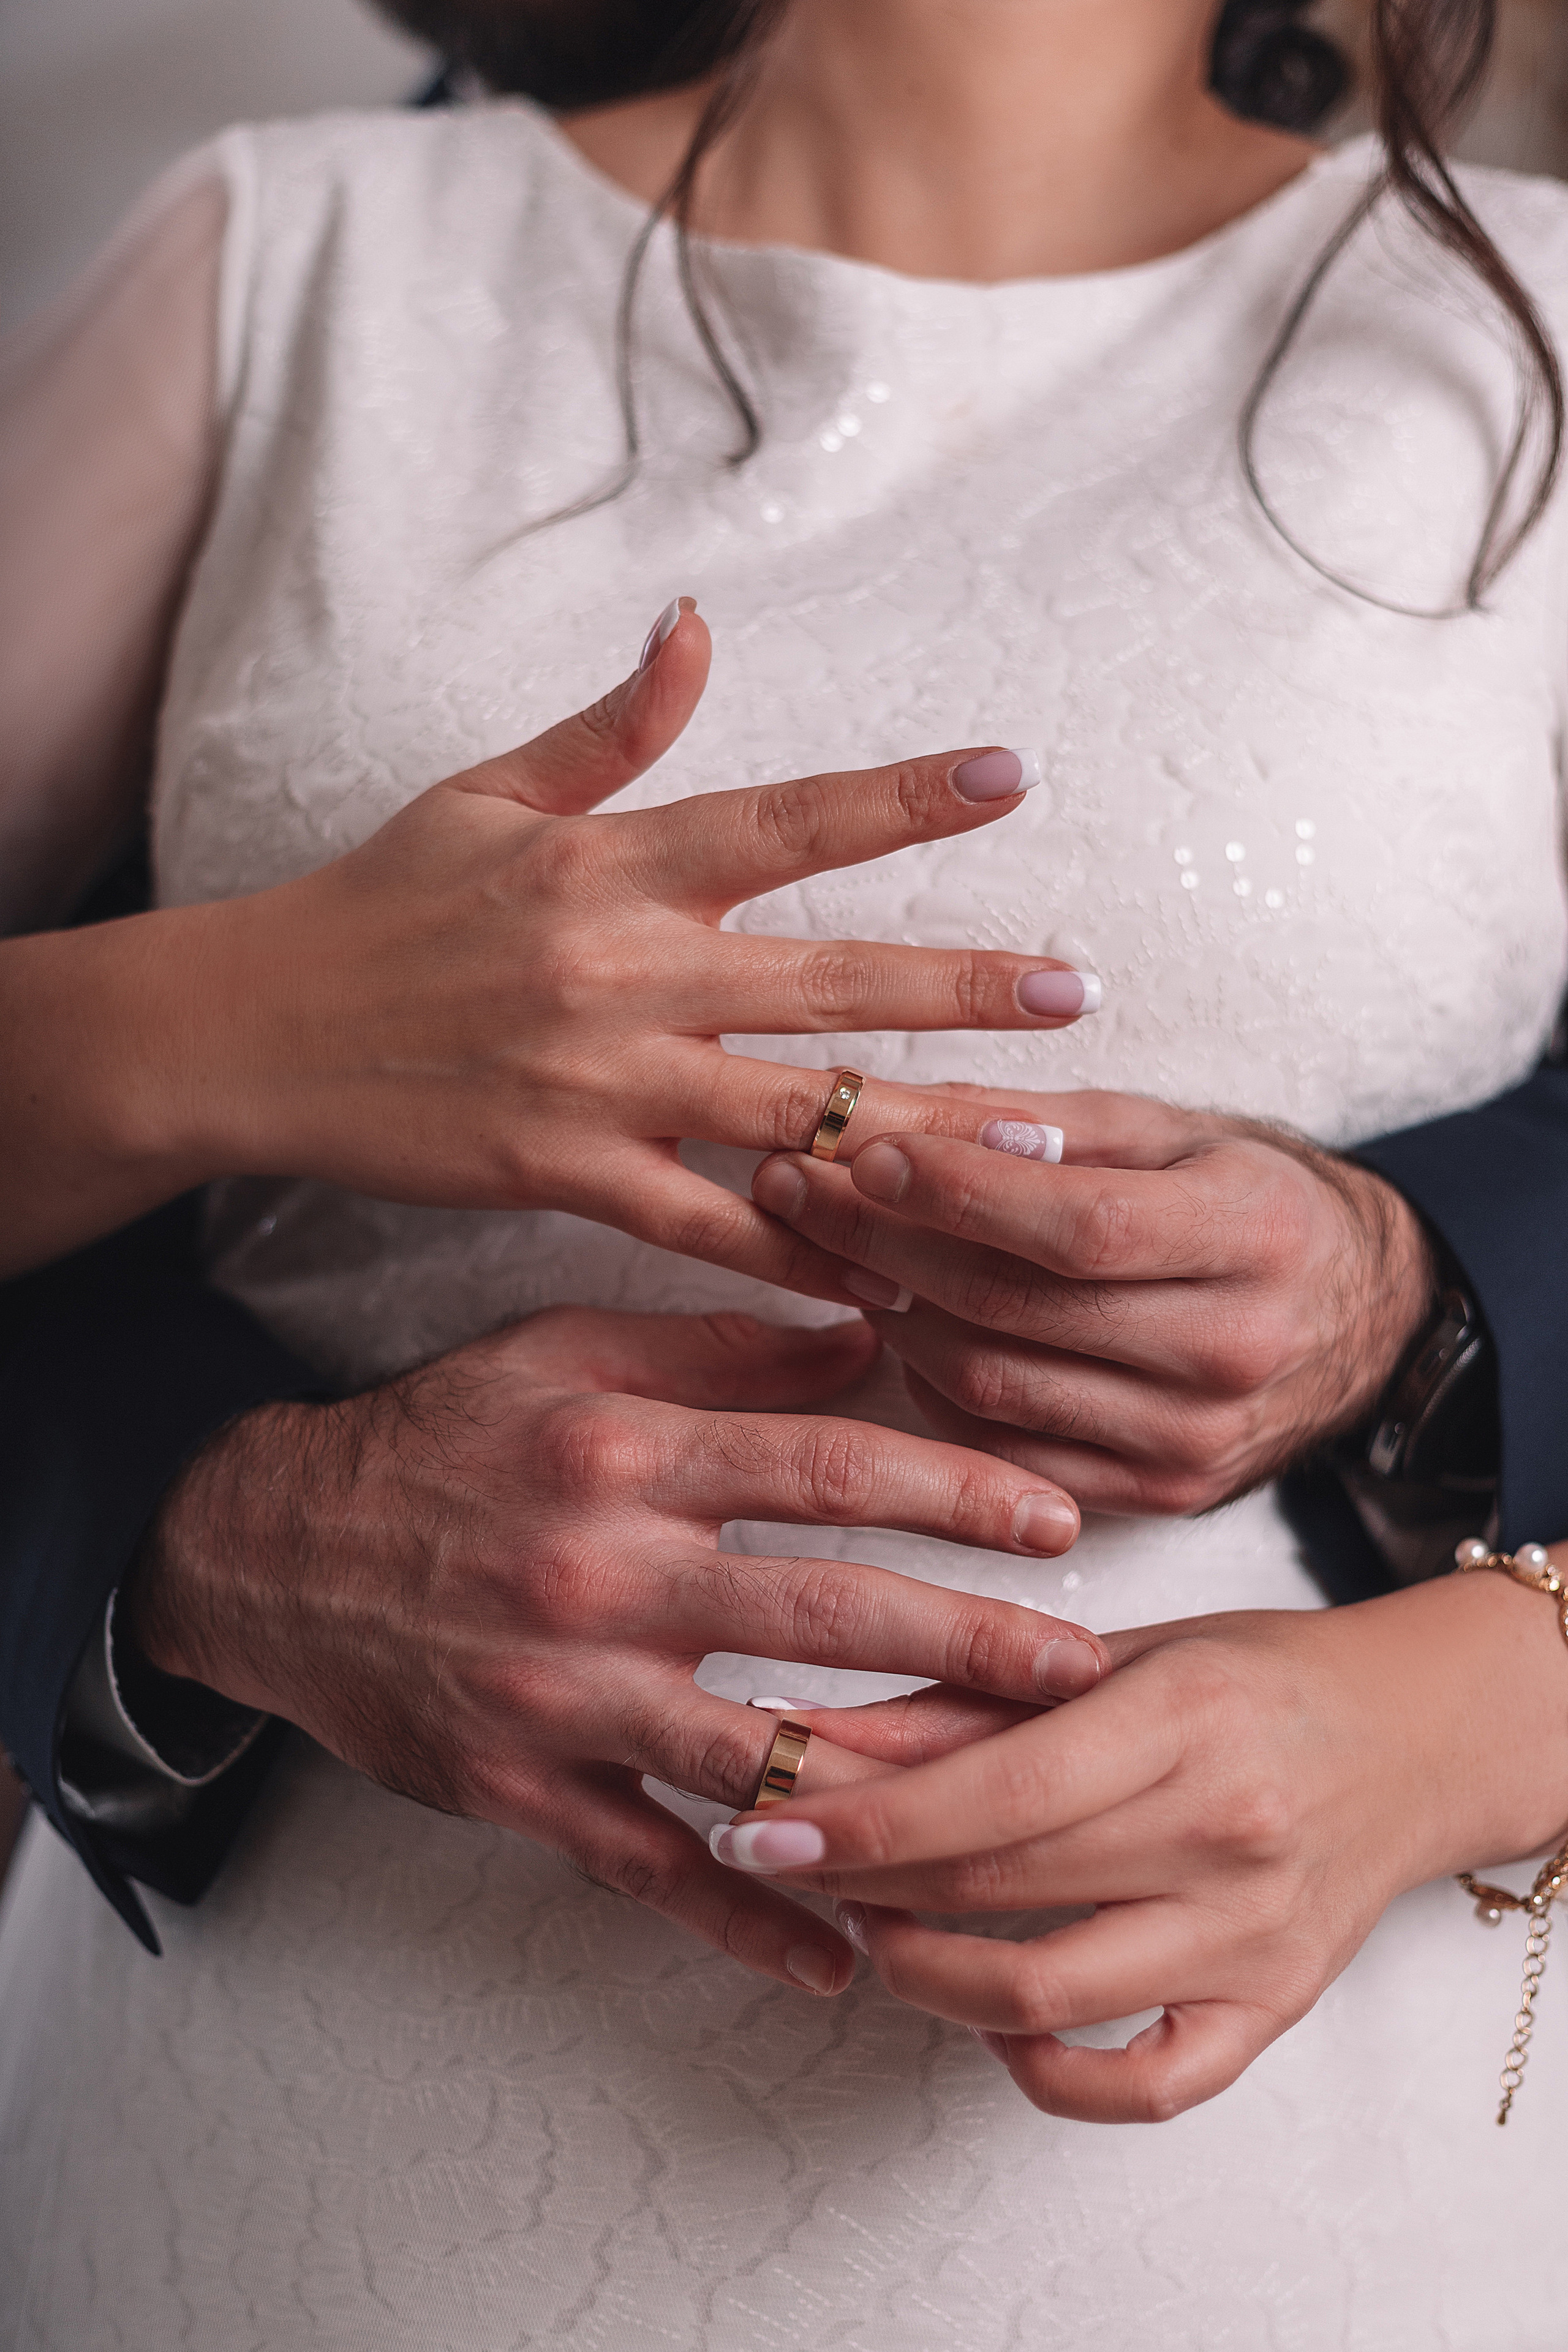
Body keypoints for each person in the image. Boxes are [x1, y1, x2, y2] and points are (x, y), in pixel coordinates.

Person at [2, 0, 1567, 2343]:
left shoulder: (1529, 329)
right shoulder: (284, 261)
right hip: (279, 2184)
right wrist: (234, 1038)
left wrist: (1462, 1720)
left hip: (1297, 2223)